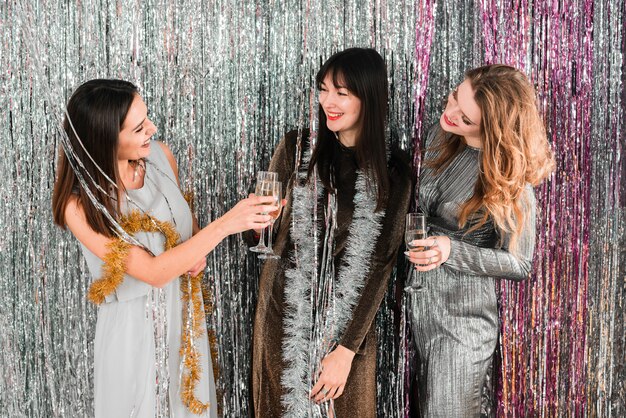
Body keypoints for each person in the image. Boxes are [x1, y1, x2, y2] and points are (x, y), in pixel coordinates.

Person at [51, 79, 275, 418]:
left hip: (184, 321)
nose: (152, 129)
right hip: (132, 335)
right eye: (139, 127)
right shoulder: (80, 206)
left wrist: (206, 249)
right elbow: (153, 272)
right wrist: (229, 222)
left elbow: (187, 233)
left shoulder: (160, 156)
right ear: (106, 138)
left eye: (147, 119)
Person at [249, 48, 411, 417]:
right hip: (284, 316)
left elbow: (380, 263)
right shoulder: (297, 147)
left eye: (341, 93)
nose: (327, 102)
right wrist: (257, 225)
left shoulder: (394, 171)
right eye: (323, 89)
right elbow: (266, 234)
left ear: (368, 98)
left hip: (347, 328)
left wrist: (346, 350)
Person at [406, 64, 555, 416]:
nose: (450, 112)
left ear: (493, 129)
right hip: (421, 311)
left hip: (464, 323)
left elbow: (520, 264)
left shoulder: (510, 181)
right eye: (456, 96)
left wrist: (450, 250)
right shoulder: (440, 136)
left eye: (467, 118)